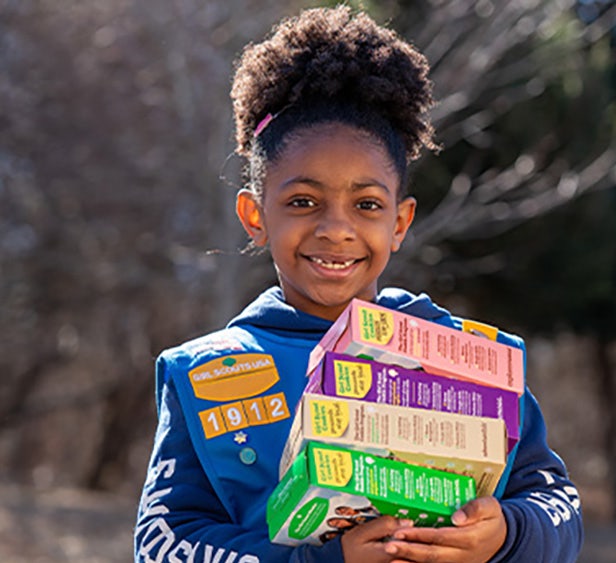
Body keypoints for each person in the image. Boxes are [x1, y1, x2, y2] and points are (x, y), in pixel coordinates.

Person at [134, 6, 582, 563]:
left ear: (399, 223)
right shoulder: (205, 374)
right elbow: (163, 544)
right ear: (255, 217)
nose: (336, 229)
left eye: (367, 204)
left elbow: (556, 503)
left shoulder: (468, 359)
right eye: (303, 201)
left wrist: (507, 532)